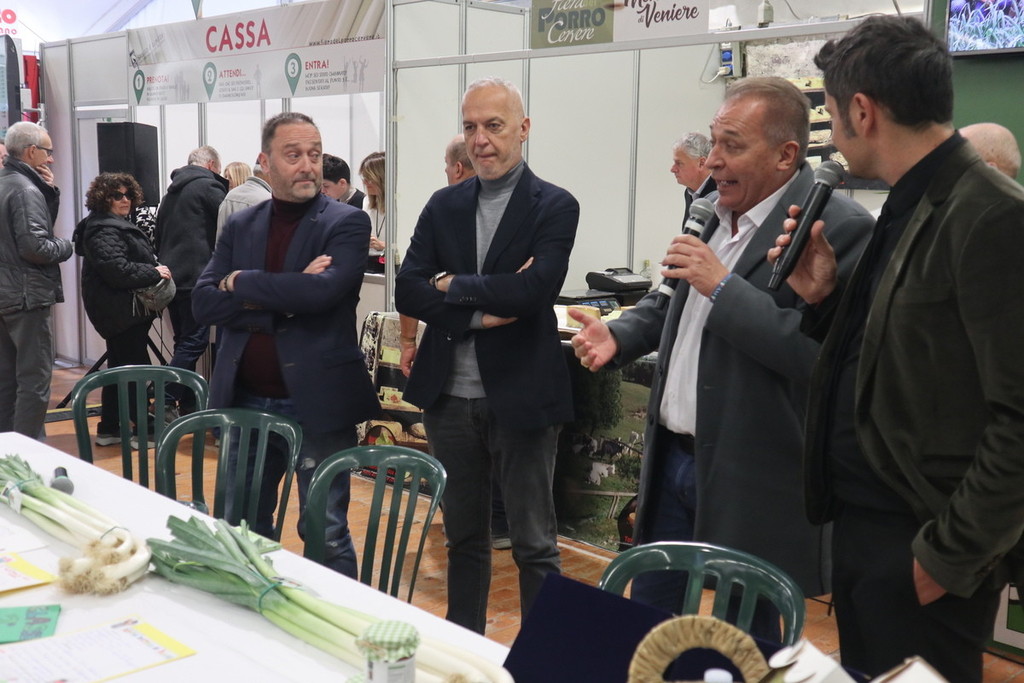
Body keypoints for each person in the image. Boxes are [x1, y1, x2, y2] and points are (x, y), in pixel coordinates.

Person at [569, 77, 873, 641]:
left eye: (731, 145)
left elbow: (821, 358)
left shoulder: (839, 229)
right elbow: (670, 301)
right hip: (671, 459)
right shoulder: (710, 209)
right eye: (713, 142)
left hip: (752, 473)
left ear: (786, 155)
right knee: (650, 626)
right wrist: (620, 335)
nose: (712, 161)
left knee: (745, 638)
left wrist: (723, 286)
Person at [769, 16, 1024, 681]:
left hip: (920, 543)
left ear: (862, 110)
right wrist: (826, 300)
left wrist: (945, 558)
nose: (832, 133)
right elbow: (913, 356)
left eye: (830, 115)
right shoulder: (912, 202)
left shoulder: (992, 213)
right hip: (865, 531)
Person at [395, 77, 579, 634]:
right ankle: (466, 648)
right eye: (471, 126)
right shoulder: (444, 204)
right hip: (449, 397)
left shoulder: (554, 205)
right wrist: (478, 309)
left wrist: (449, 283)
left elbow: (533, 292)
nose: (481, 140)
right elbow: (408, 290)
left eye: (494, 126)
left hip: (522, 394)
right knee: (464, 540)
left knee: (534, 543)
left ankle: (544, 661)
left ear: (523, 129)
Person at [192, 112, 379, 577]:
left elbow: (322, 294)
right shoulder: (242, 224)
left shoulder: (346, 222)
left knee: (325, 529)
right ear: (266, 161)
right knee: (241, 526)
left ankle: (336, 616)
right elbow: (203, 302)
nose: (307, 165)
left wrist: (240, 282)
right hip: (246, 398)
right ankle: (249, 613)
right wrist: (288, 291)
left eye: (314, 154)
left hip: (318, 399)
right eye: (293, 155)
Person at [72, 172, 171, 448]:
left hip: (120, 310)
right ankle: (143, 431)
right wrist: (153, 271)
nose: (124, 200)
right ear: (103, 198)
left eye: (128, 195)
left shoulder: (108, 225)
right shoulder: (103, 228)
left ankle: (110, 428)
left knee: (119, 369)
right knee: (135, 370)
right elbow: (117, 270)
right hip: (120, 311)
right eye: (117, 195)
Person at [0, 122, 72, 439]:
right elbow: (35, 247)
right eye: (48, 151)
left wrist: (49, 194)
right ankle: (29, 452)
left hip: (8, 295)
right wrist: (68, 246)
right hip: (26, 297)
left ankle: (7, 453)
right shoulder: (25, 190)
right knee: (34, 381)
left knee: (7, 380)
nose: (51, 158)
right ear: (31, 151)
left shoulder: (7, 183)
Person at [155, 145, 229, 418]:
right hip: (198, 276)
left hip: (173, 278)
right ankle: (164, 398)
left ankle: (188, 404)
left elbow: (158, 235)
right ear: (211, 165)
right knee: (195, 342)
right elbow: (229, 226)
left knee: (183, 341)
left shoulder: (170, 194)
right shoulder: (208, 187)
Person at [217, 158, 272, 236]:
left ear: (240, 177)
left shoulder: (229, 200)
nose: (227, 180)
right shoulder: (267, 199)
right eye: (225, 176)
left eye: (230, 177)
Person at [671, 131, 717, 220]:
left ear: (701, 163)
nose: (672, 169)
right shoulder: (689, 193)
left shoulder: (722, 192)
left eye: (679, 163)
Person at [360, 151, 386, 271]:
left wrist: (384, 246)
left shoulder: (401, 206)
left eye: (369, 178)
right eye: (364, 178)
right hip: (369, 263)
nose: (365, 183)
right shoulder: (366, 201)